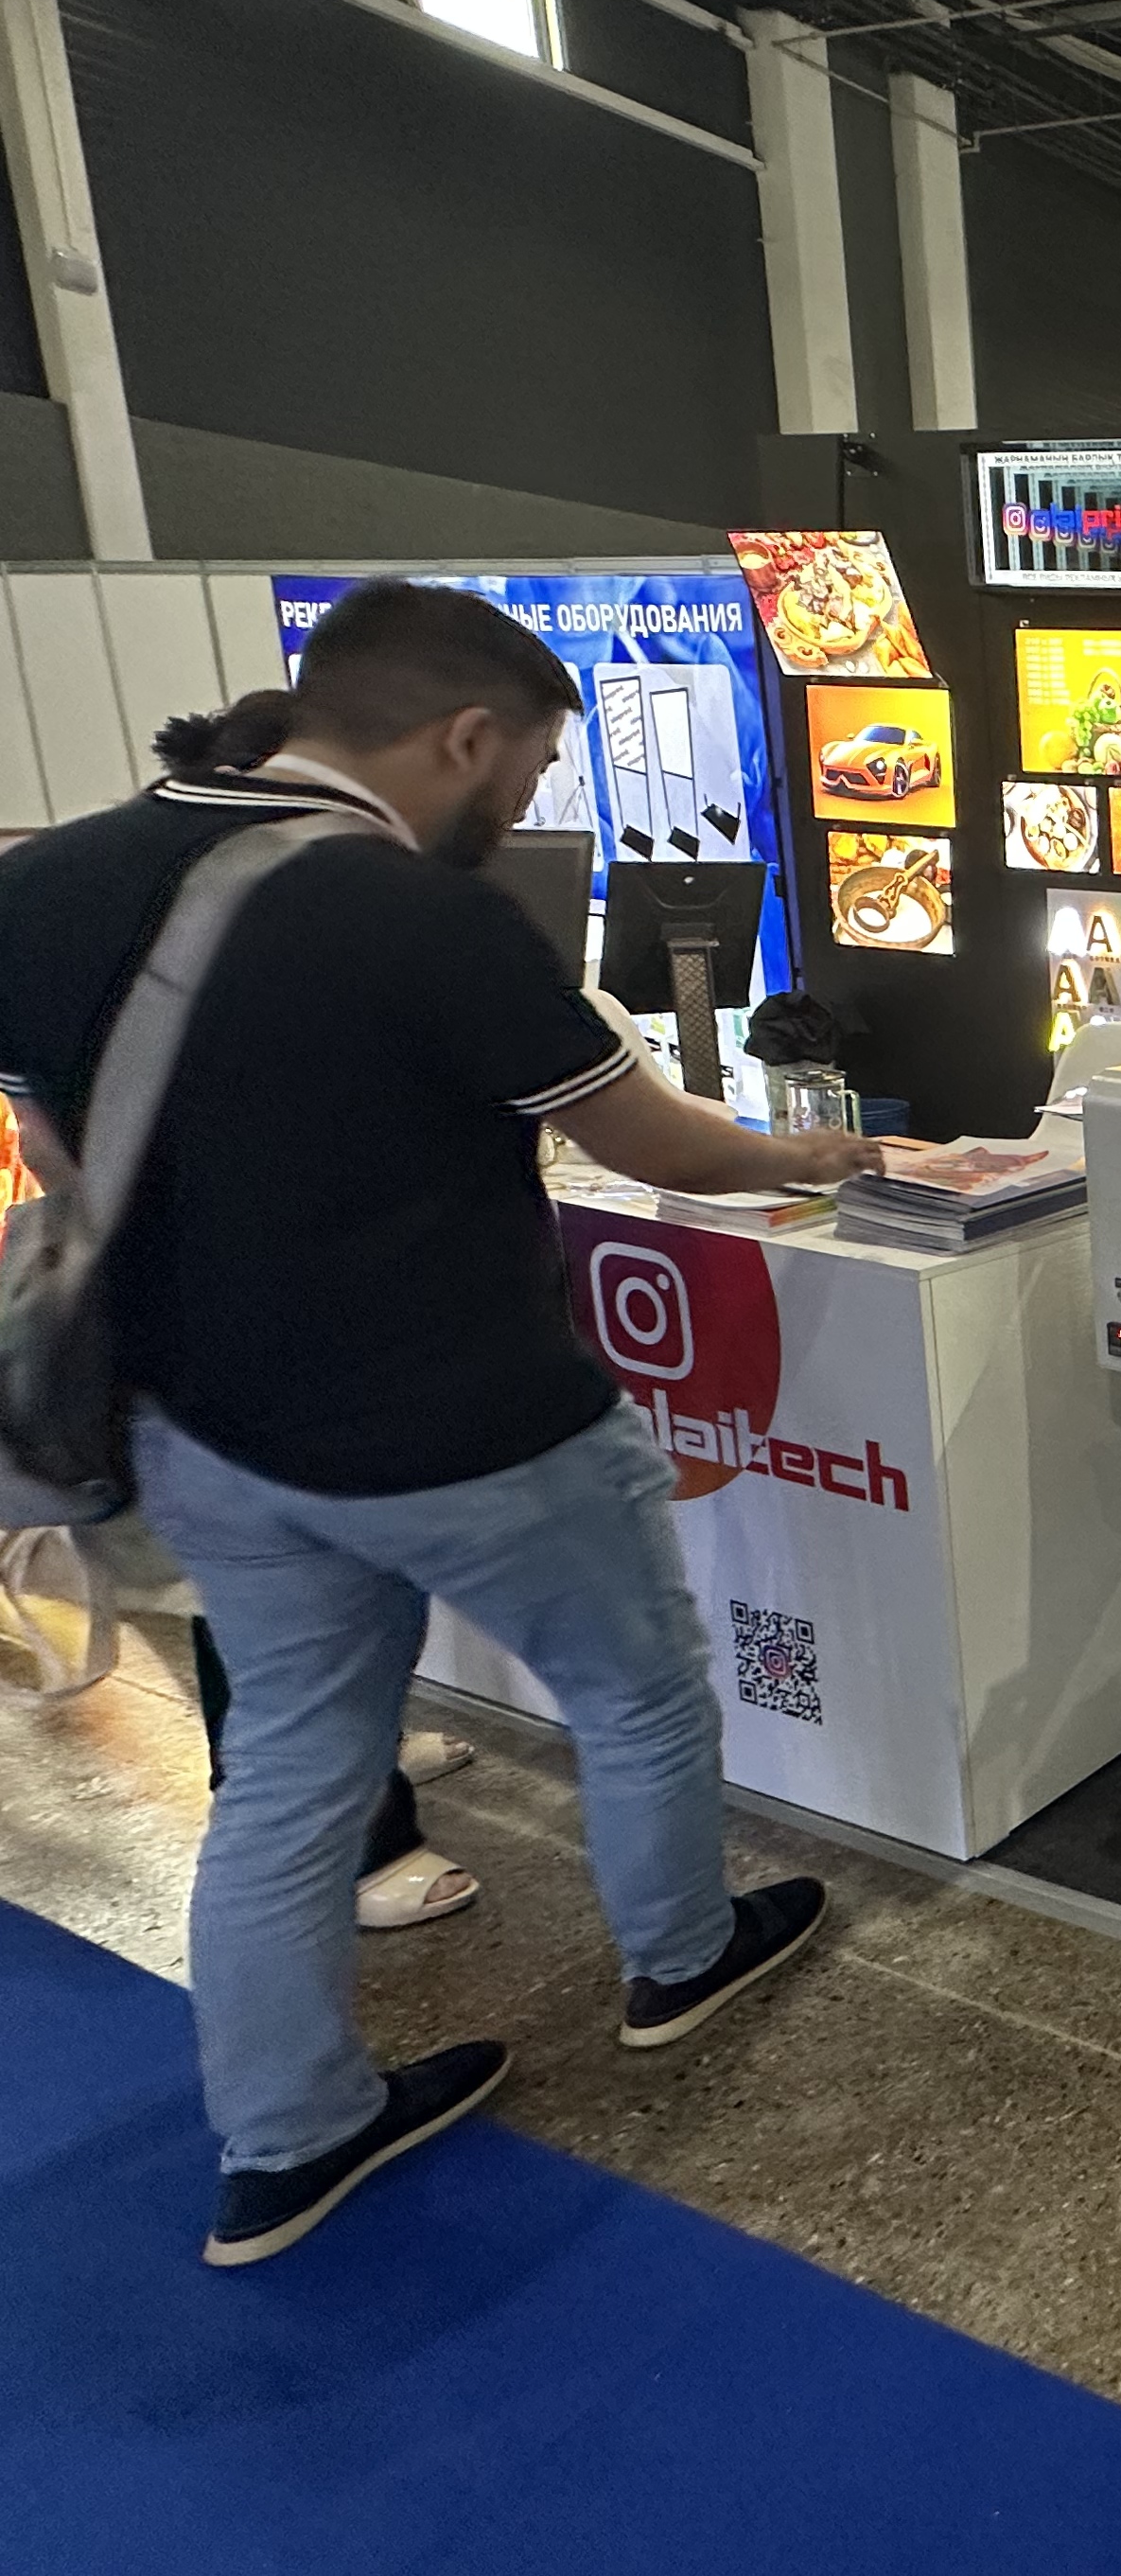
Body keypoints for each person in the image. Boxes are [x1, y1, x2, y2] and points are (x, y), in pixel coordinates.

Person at [0, 582, 883, 2268]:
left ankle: (287, 2136)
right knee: (635, 1688)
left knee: (287, 1776)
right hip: (475, 1425)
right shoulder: (422, 914)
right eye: (533, 767)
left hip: (206, 1429)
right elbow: (654, 1144)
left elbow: (55, 1149)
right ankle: (681, 1957)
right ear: (466, 735)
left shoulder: (42, 880)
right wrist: (812, 1156)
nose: (527, 802)